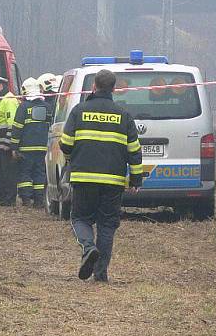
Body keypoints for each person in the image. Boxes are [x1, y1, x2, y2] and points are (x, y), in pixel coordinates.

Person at [59, 69, 143, 282]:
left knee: (80, 218)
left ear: (94, 86)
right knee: (107, 225)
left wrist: (71, 157)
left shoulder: (79, 111)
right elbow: (134, 151)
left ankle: (88, 248)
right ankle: (101, 273)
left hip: (83, 178)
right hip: (113, 181)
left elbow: (66, 144)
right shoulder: (124, 115)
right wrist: (136, 179)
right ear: (114, 89)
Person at [11, 78, 50, 207]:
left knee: (25, 173)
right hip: (42, 148)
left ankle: (26, 199)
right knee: (39, 173)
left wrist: (14, 147)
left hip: (26, 148)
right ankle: (39, 200)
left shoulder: (23, 107)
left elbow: (17, 128)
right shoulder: (48, 107)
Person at [0, 74, 20, 206]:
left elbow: (12, 123)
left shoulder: (9, 100)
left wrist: (9, 144)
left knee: (7, 173)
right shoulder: (2, 100)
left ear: (1, 85)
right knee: (0, 173)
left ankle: (8, 198)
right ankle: (2, 198)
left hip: (5, 146)